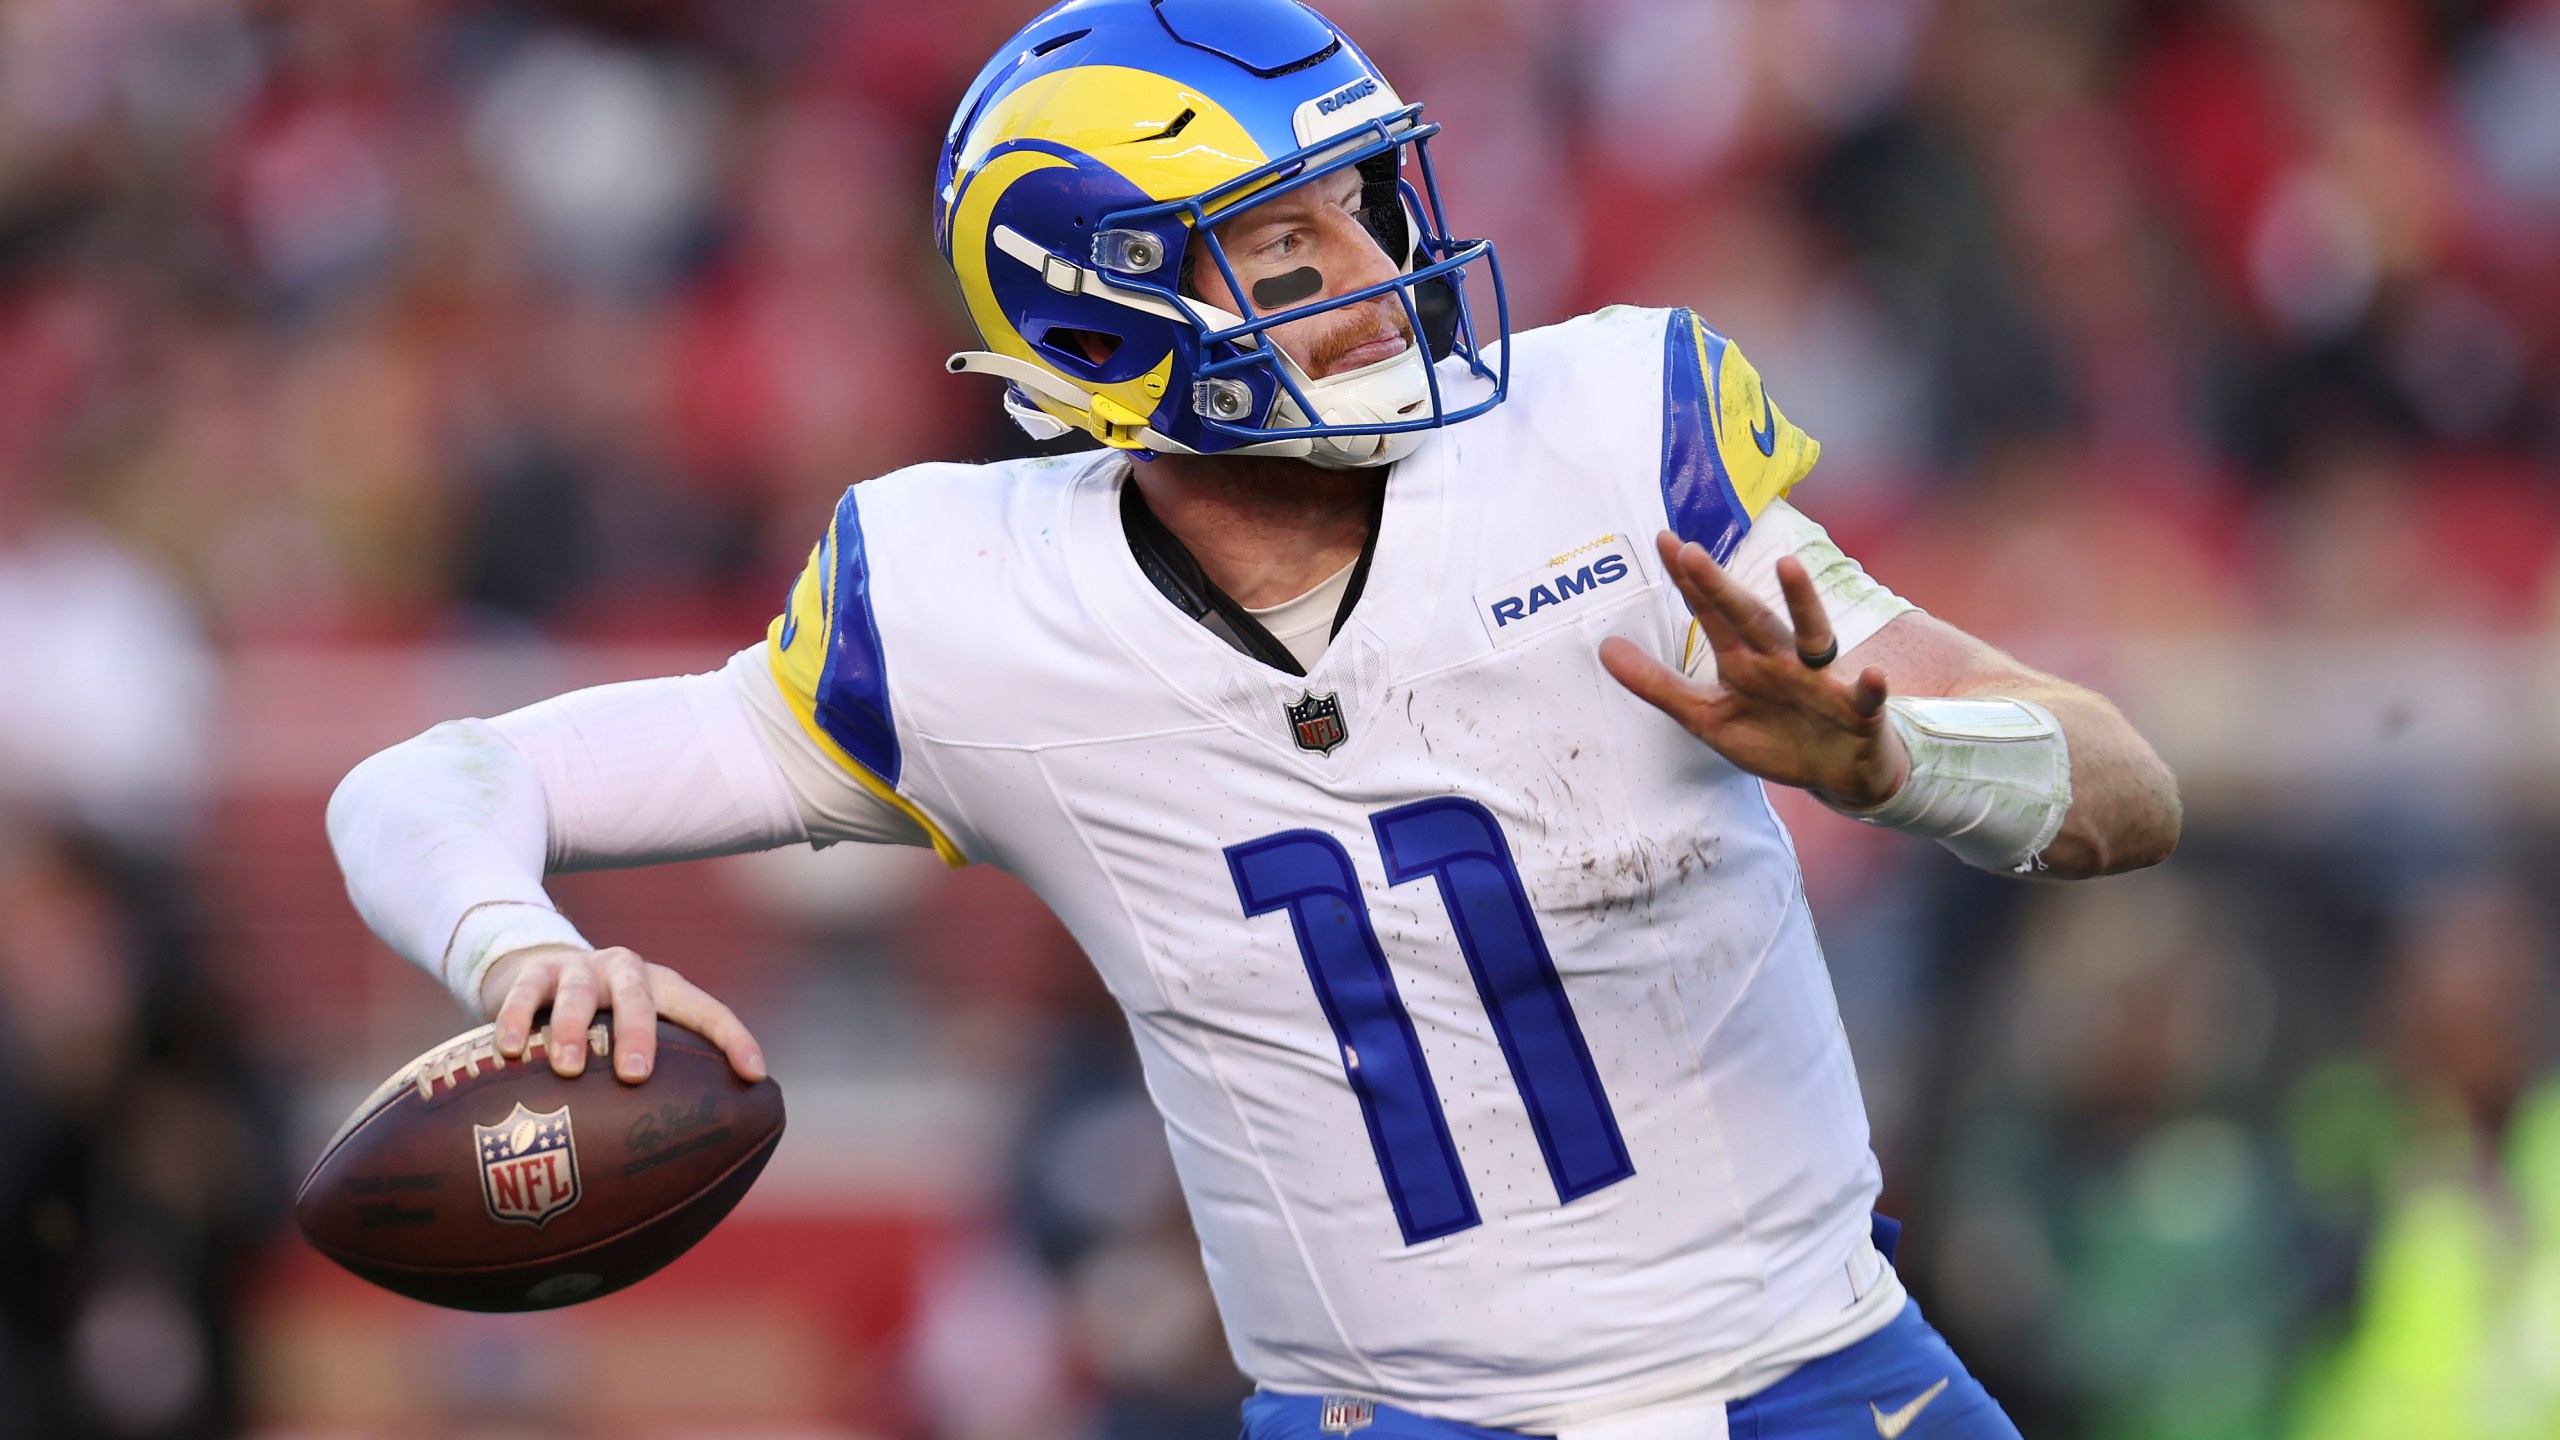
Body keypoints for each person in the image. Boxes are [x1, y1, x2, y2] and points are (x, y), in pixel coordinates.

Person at [328, 2, 2181, 1436]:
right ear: (1104, 314)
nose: (1380, 282)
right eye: (1283, 255)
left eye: (1364, 210)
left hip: (1819, 1377)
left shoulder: (1613, 440)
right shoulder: (965, 603)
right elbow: (429, 782)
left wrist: (1897, 757)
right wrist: (520, 953)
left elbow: (2125, 785)